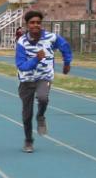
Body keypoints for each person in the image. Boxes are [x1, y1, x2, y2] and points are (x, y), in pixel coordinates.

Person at [14, 9, 73, 153]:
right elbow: (21, 65)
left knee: (43, 98)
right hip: (26, 80)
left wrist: (67, 62)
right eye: (32, 23)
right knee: (27, 114)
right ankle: (28, 141)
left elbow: (65, 46)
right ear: (27, 25)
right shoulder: (21, 42)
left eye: (38, 23)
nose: (36, 25)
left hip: (44, 77)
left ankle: (40, 115)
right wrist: (36, 59)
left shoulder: (51, 38)